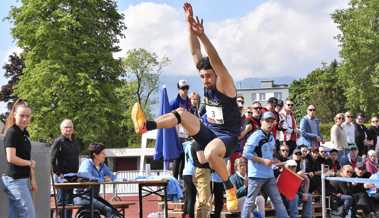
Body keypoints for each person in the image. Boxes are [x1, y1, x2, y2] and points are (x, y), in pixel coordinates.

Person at [131, 3, 241, 210]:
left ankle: (229, 187)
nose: (205, 79)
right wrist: (188, 24)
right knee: (181, 113)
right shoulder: (205, 79)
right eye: (202, 76)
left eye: (208, 76)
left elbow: (216, 60)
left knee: (209, 153)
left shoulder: (225, 83)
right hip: (210, 131)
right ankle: (146, 125)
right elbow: (194, 53)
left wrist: (203, 36)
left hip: (228, 137)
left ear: (216, 74)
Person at [241, 111, 289, 218]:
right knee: (250, 202)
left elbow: (269, 156)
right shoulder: (256, 135)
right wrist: (263, 161)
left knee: (278, 201)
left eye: (272, 121)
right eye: (267, 121)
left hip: (269, 174)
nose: (270, 123)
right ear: (261, 122)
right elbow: (245, 153)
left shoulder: (271, 136)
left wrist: (278, 162)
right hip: (256, 175)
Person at [0, 100, 37, 218]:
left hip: (22, 179)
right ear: (14, 115)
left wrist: (33, 179)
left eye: (28, 116)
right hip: (13, 180)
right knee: (29, 215)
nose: (25, 119)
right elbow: (11, 158)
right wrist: (29, 163)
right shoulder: (12, 132)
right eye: (22, 115)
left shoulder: (25, 134)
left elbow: (27, 157)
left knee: (15, 215)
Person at [74, 143, 120, 218]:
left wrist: (124, 179)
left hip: (94, 196)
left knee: (115, 212)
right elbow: (86, 177)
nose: (105, 155)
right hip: (83, 196)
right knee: (109, 210)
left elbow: (113, 176)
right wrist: (102, 179)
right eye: (103, 153)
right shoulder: (86, 163)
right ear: (95, 154)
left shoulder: (102, 165)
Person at [50, 119, 81, 218]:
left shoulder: (75, 141)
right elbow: (51, 159)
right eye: (66, 127)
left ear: (73, 129)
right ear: (61, 129)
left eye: (70, 127)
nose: (68, 129)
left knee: (70, 202)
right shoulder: (58, 141)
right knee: (61, 203)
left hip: (73, 176)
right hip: (62, 177)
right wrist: (58, 173)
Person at [170, 79, 193, 180]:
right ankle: (174, 180)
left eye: (187, 88)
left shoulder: (188, 101)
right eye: (183, 88)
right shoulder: (175, 101)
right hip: (176, 133)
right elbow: (167, 114)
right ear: (179, 89)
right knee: (177, 156)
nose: (185, 90)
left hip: (186, 132)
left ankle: (182, 180)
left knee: (184, 156)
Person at [182, 140, 197, 218]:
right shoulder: (193, 145)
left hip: (186, 172)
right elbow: (194, 159)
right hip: (191, 172)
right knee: (192, 197)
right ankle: (190, 216)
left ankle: (184, 214)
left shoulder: (187, 145)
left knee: (188, 196)